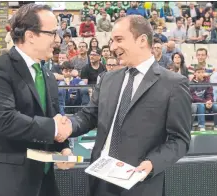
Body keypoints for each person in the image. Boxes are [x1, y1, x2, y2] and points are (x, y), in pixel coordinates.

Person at [56, 15, 191, 196]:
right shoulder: (107, 79)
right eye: (112, 41)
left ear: (142, 40)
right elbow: (88, 116)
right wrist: (68, 125)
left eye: (119, 40)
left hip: (140, 184)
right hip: (99, 181)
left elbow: (179, 140)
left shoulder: (174, 84)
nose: (112, 47)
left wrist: (152, 163)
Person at [0, 4, 74, 196]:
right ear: (30, 36)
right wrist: (54, 128)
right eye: (52, 33)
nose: (58, 39)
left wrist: (64, 149)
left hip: (44, 182)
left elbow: (51, 118)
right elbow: (4, 121)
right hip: (6, 182)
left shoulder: (48, 75)